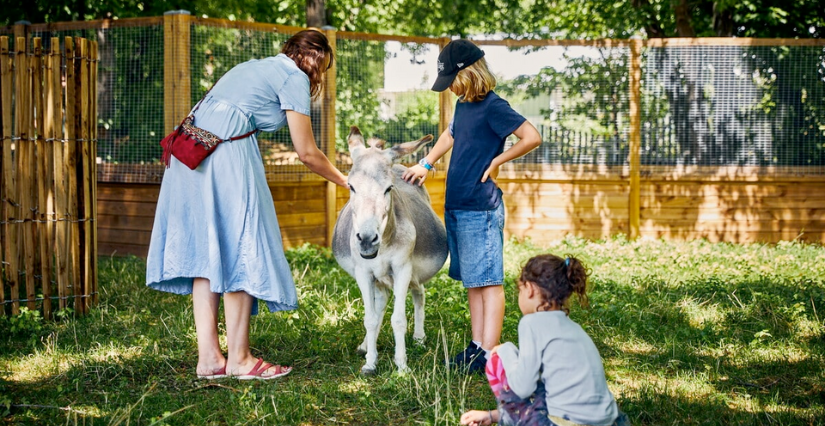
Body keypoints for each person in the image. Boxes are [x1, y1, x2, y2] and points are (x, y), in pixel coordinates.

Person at [146, 29, 348, 380]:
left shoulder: (252, 66)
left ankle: (209, 359)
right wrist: (348, 181)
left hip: (189, 156)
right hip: (224, 154)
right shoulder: (293, 76)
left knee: (208, 253)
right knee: (241, 245)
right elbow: (307, 152)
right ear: (314, 60)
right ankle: (239, 360)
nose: (319, 78)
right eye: (322, 69)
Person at [402, 39, 542, 373]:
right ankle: (477, 345)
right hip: (458, 205)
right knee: (473, 281)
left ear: (469, 72)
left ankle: (489, 353)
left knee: (489, 282)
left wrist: (498, 161)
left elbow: (532, 136)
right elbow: (450, 134)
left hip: (481, 207)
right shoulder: (464, 104)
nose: (449, 87)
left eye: (452, 79)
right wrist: (427, 163)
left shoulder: (494, 106)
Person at [459, 254, 630, 426]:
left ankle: (509, 418)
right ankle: (498, 416)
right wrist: (492, 416)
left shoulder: (531, 323)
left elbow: (523, 388)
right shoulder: (574, 329)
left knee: (498, 360)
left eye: (520, 290)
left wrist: (506, 350)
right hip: (613, 421)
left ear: (530, 288)